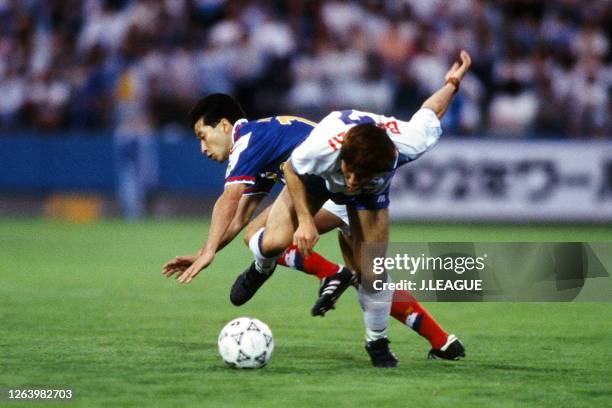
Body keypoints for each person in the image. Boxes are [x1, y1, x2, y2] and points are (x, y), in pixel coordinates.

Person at [163, 88, 465, 365]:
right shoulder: (267, 139)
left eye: (203, 135)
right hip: (341, 184)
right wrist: (206, 249)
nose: (203, 147)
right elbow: (239, 216)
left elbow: (227, 202)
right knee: (367, 277)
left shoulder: (249, 141)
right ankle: (442, 341)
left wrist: (209, 255)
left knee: (264, 237)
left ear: (225, 125)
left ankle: (325, 273)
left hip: (330, 184)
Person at [231, 50, 472, 367]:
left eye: (363, 174)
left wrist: (452, 82)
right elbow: (291, 170)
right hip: (319, 181)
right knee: (268, 239)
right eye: (351, 171)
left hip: (369, 201)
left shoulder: (408, 143)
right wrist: (304, 222)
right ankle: (265, 267)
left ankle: (377, 342)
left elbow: (431, 110)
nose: (354, 179)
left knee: (372, 274)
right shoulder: (321, 149)